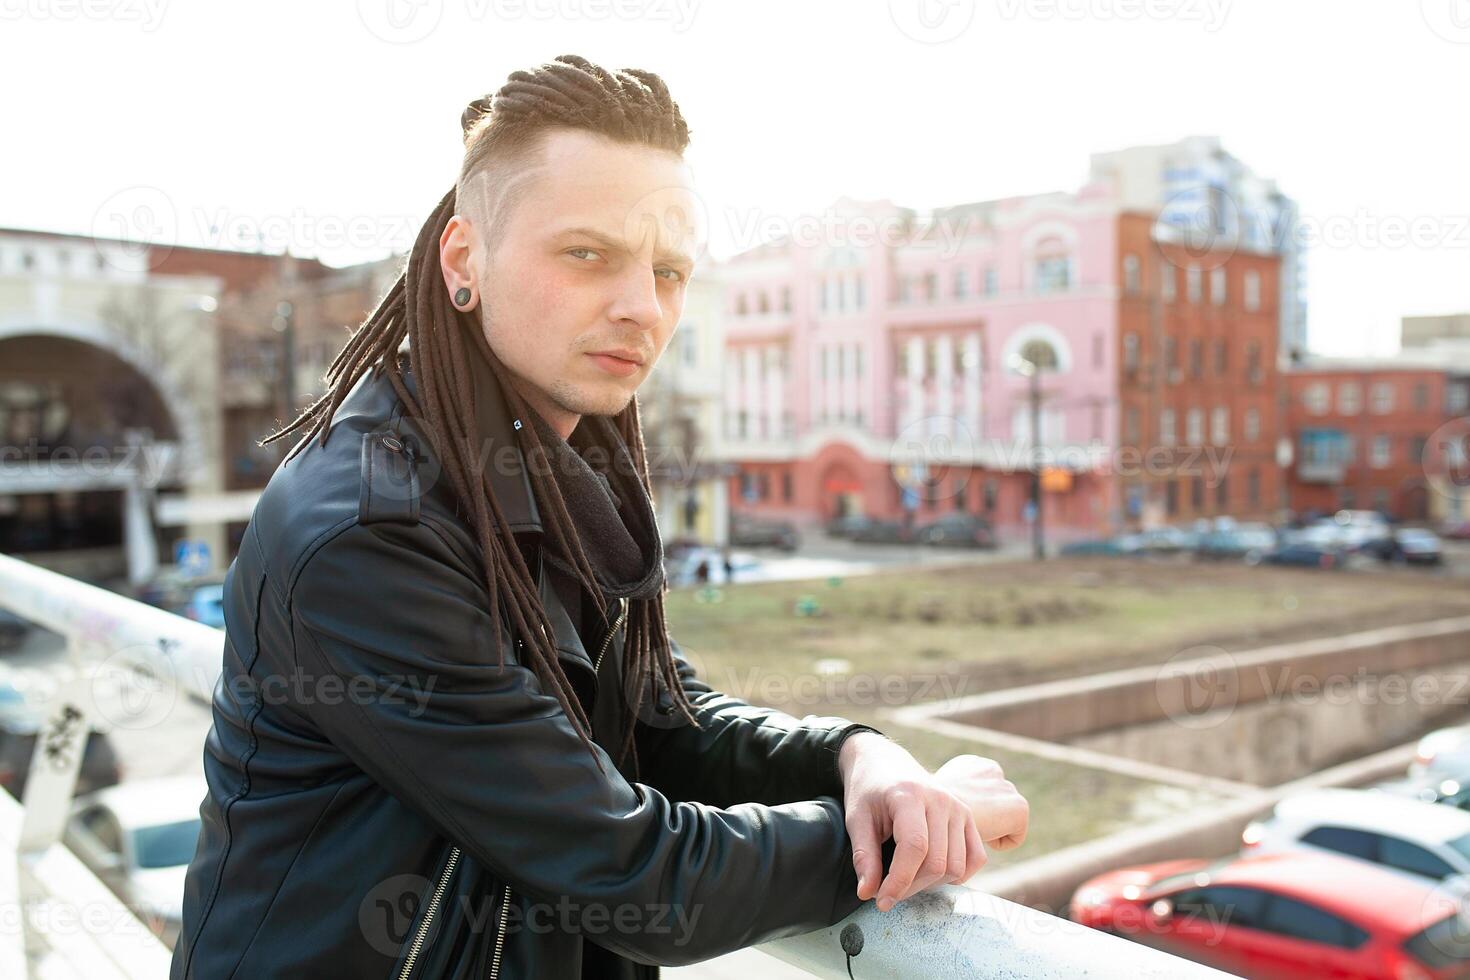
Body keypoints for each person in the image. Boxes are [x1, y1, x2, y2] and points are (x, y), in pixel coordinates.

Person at [171, 54, 1027, 979]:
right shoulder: (367, 530)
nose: (641, 307)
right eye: (588, 255)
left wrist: (861, 760)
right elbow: (631, 876)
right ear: (466, 261)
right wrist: (936, 827)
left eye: (668, 270)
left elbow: (661, 718)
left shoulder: (557, 471)